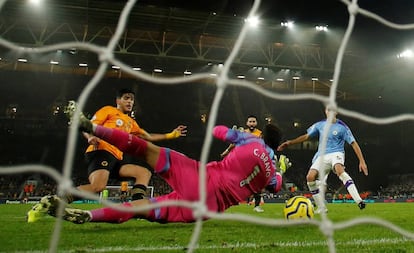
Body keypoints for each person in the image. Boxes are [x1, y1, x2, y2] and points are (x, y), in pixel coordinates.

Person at [41, 104, 284, 224]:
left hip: (202, 179)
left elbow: (219, 131)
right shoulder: (273, 171)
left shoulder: (250, 139)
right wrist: (280, 168)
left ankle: (92, 128)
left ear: (263, 136)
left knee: (144, 150)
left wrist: (235, 132)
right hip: (207, 209)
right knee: (137, 208)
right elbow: (275, 187)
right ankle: (88, 216)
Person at [27, 89, 187, 222]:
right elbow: (87, 126)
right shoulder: (108, 110)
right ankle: (55, 200)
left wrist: (170, 135)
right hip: (101, 152)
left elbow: (147, 137)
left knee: (143, 172)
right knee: (98, 187)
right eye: (126, 98)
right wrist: (90, 137)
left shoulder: (131, 122)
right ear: (118, 100)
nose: (130, 102)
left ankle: (137, 207)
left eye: (132, 100)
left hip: (116, 158)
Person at [277, 107, 368, 213]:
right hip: (321, 155)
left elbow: (353, 143)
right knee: (310, 177)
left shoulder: (342, 127)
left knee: (339, 170)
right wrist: (290, 143)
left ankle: (359, 201)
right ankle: (321, 208)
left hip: (336, 153)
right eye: (328, 110)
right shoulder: (320, 125)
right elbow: (306, 136)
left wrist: (362, 161)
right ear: (326, 112)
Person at [220, 115, 265, 213]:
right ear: (247, 123)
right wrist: (227, 151)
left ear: (256, 123)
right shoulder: (243, 132)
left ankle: (257, 206)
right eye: (250, 121)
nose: (252, 123)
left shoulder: (260, 134)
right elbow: (234, 144)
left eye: (253, 121)